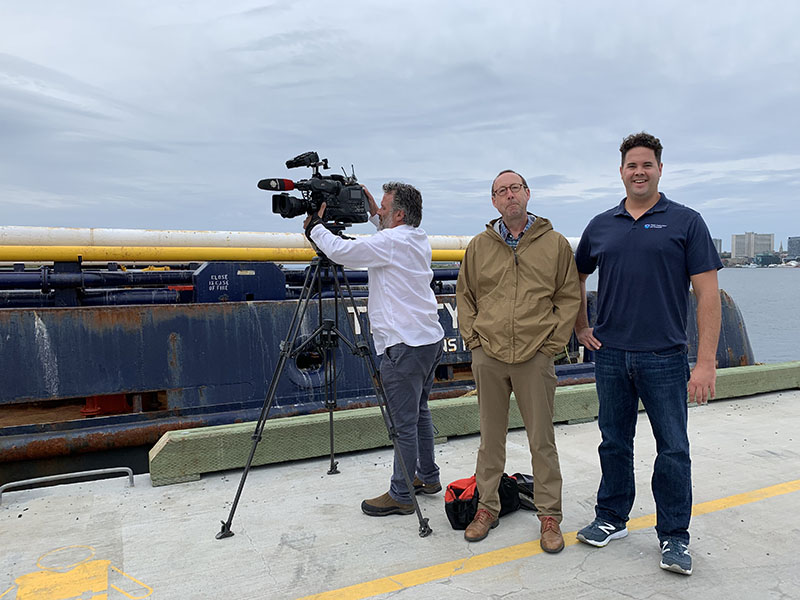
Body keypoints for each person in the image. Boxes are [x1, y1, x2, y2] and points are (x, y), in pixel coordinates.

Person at [574, 132, 722, 576]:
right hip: (612, 355)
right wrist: (581, 325)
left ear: (660, 169)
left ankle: (674, 537)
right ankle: (612, 517)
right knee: (613, 441)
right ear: (621, 172)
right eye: (631, 165)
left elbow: (708, 294)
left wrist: (706, 361)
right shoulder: (601, 225)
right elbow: (575, 277)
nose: (639, 171)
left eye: (647, 165)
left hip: (664, 356)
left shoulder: (686, 222)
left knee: (673, 449)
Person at [455, 169, 580, 552]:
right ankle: (486, 508)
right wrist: (474, 341)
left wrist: (549, 347)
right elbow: (466, 296)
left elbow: (569, 298)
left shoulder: (555, 244)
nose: (509, 196)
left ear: (527, 194)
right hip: (489, 355)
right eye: (501, 191)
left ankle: (549, 517)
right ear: (493, 201)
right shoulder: (479, 246)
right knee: (489, 440)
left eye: (515, 188)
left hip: (534, 356)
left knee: (542, 440)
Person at [303, 182, 445, 516]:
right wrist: (370, 211)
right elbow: (384, 237)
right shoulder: (415, 237)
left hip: (403, 346)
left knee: (403, 423)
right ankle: (427, 476)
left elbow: (343, 253)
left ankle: (402, 494)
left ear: (398, 214)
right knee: (419, 411)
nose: (378, 212)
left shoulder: (391, 242)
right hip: (427, 341)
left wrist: (316, 229)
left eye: (383, 208)